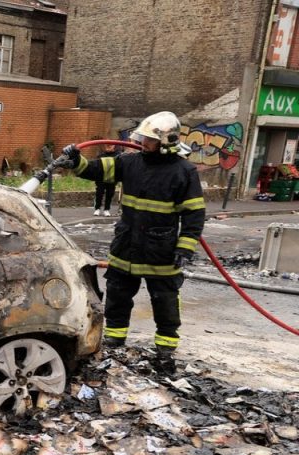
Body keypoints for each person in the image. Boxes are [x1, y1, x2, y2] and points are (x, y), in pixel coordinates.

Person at [60, 111, 205, 374]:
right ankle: (115, 345)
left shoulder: (184, 172)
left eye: (148, 140)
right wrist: (76, 160)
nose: (142, 143)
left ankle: (165, 353)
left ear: (166, 142)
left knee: (165, 302)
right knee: (117, 298)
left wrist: (185, 247)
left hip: (161, 253)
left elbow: (194, 215)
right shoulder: (130, 162)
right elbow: (95, 171)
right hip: (126, 247)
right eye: (142, 138)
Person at [93, 142, 117, 216]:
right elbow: (96, 167)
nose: (109, 147)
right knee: (99, 193)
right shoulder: (100, 156)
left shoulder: (117, 156)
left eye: (111, 145)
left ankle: (106, 209)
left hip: (112, 179)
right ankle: (97, 209)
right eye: (107, 146)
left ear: (114, 146)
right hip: (101, 178)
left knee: (109, 194)